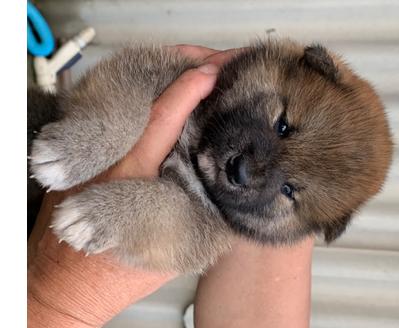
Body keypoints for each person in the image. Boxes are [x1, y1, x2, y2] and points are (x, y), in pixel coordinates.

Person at [27, 45, 314, 328]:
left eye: (288, 190)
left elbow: (178, 234)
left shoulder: (216, 225)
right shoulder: (206, 85)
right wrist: (100, 140)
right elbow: (134, 78)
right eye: (282, 128)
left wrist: (51, 303)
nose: (247, 170)